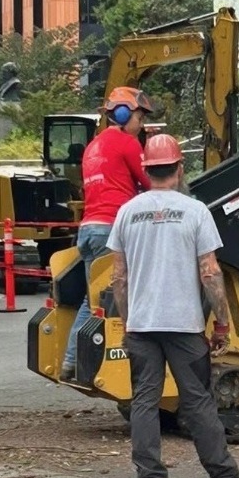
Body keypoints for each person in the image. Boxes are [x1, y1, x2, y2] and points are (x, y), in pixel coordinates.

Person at [107, 132, 239, 478]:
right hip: (185, 327)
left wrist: (129, 321)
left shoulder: (128, 212)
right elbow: (210, 273)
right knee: (198, 404)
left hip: (143, 326)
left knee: (144, 402)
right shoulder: (195, 211)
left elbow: (118, 278)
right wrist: (222, 322)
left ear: (146, 172)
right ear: (179, 169)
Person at [60, 86, 156, 382]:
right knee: (115, 297)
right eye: (139, 117)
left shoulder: (94, 147)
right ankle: (94, 365)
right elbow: (153, 182)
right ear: (124, 114)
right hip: (111, 229)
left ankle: (72, 362)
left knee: (94, 300)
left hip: (89, 229)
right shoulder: (126, 143)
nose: (141, 124)